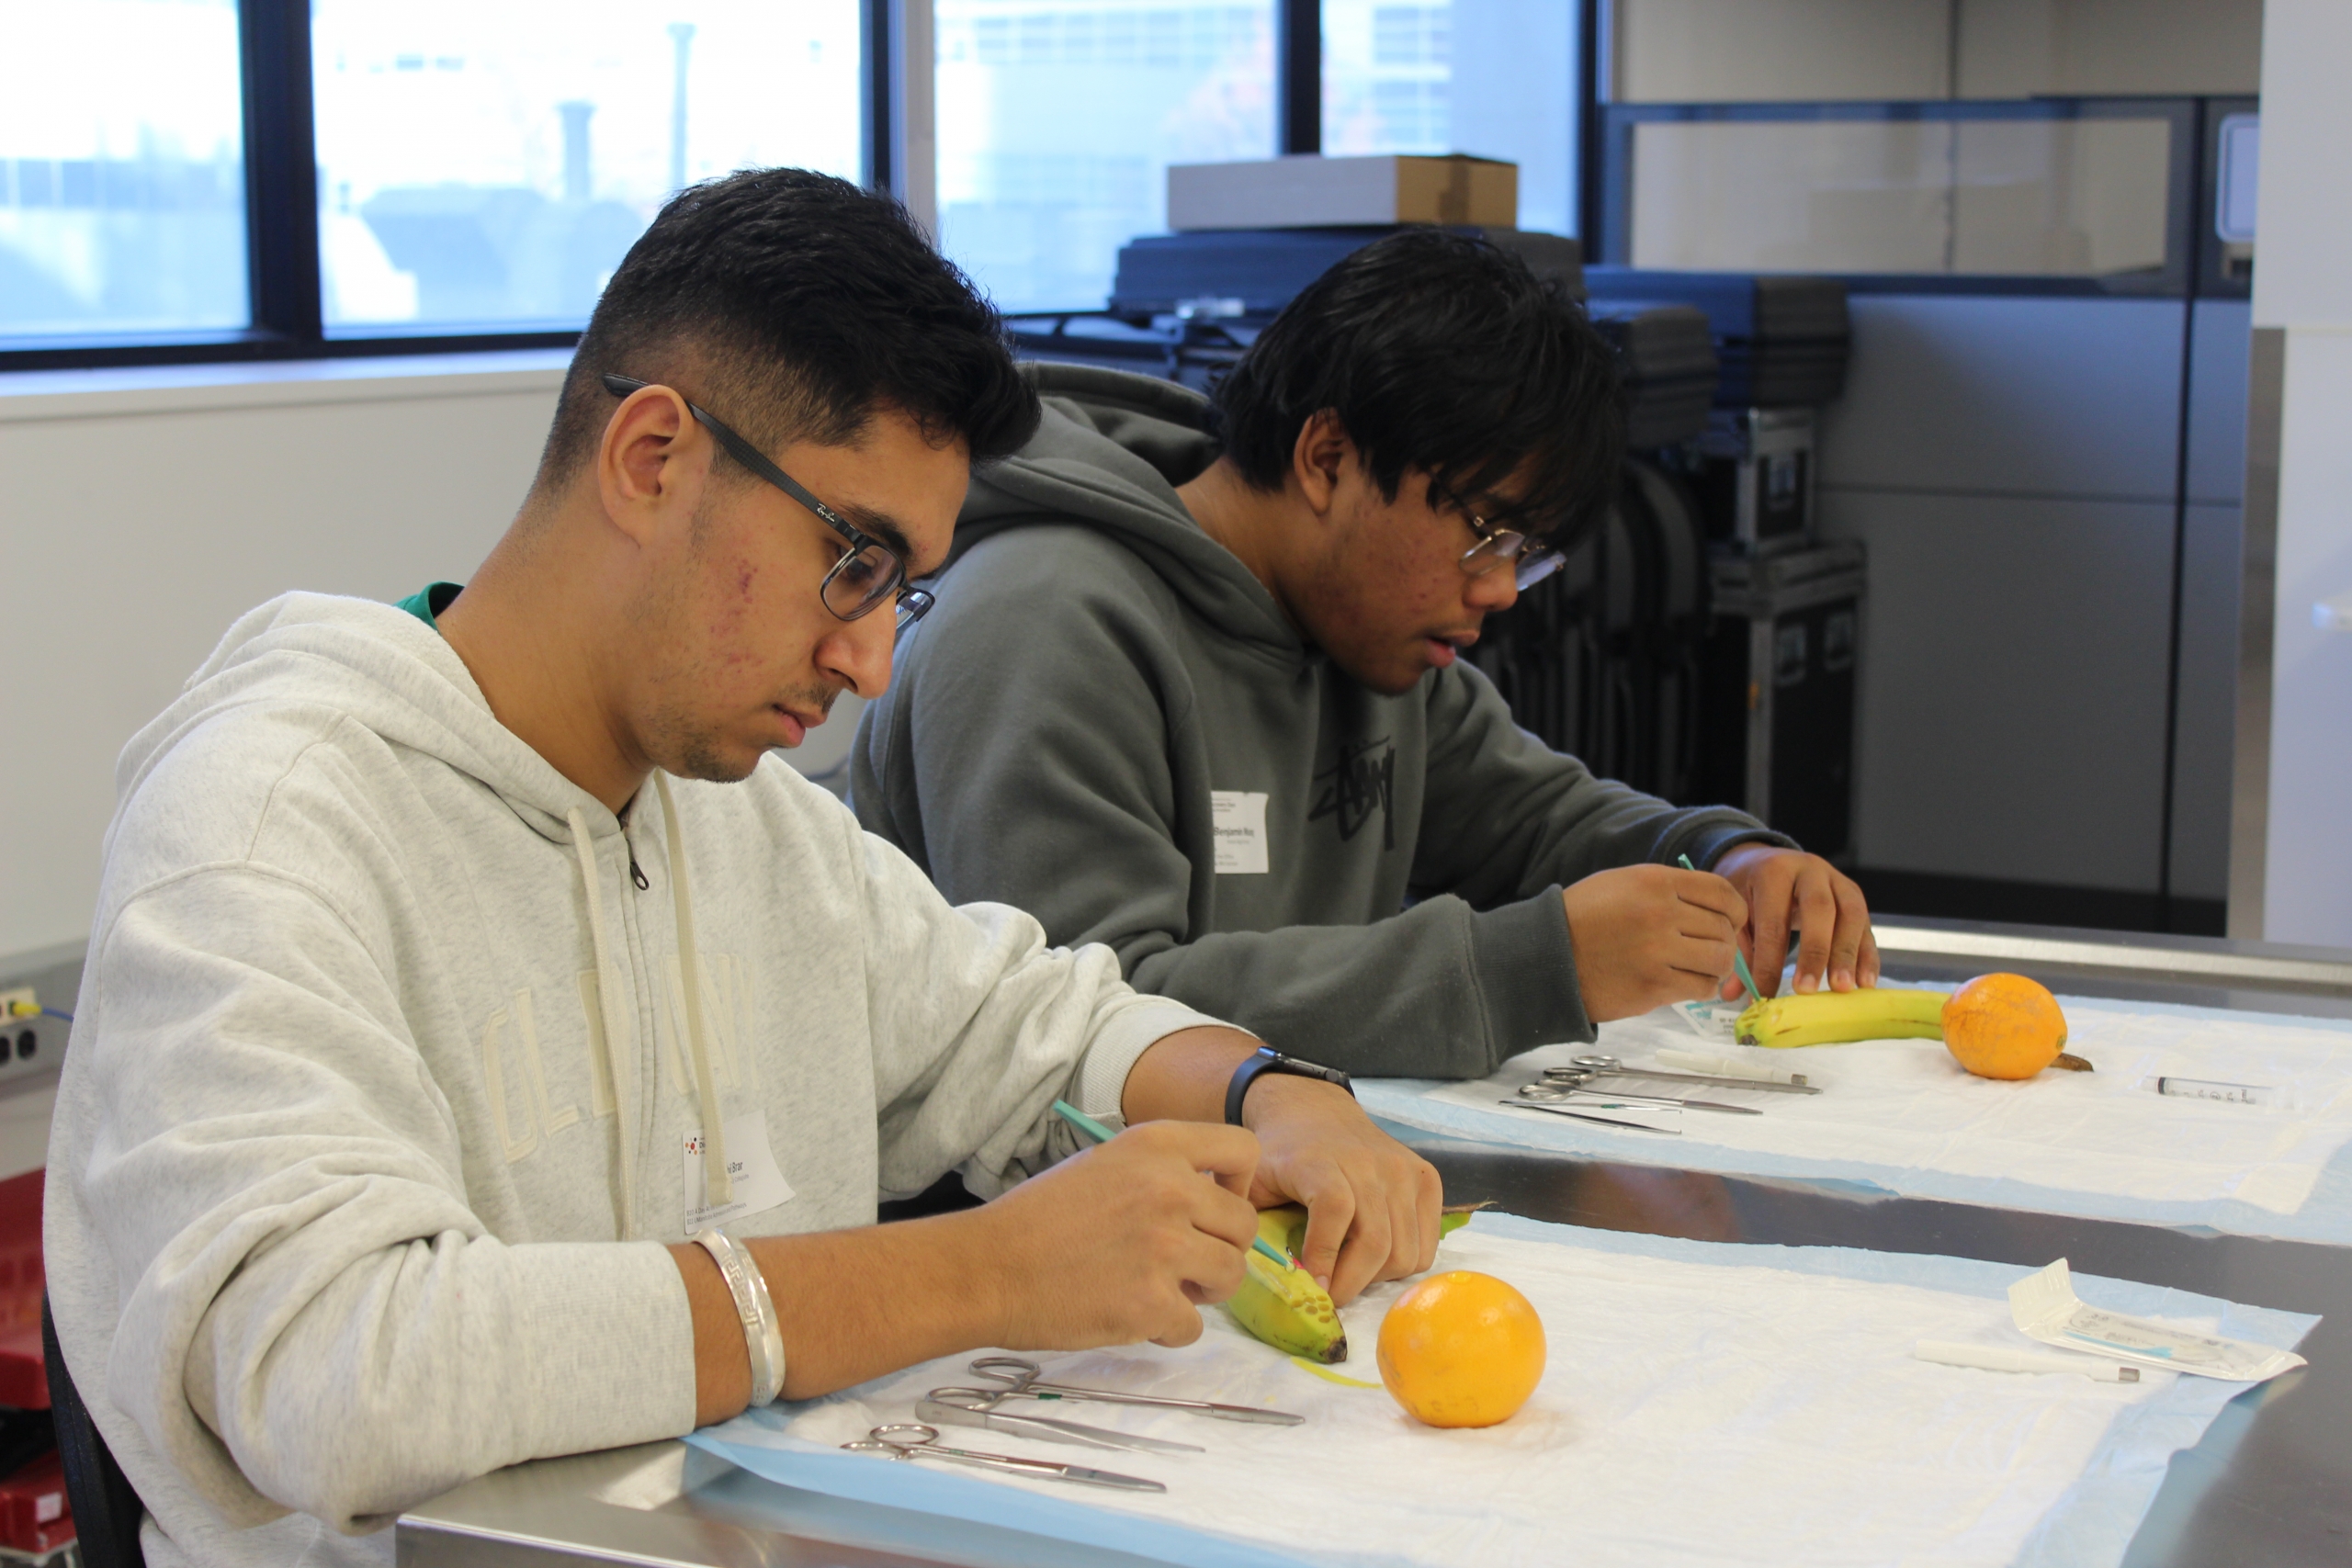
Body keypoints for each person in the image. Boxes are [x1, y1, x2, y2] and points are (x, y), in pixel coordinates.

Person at [44, 169, 1438, 1568]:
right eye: (852, 559)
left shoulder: (749, 823)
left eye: (903, 587)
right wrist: (984, 1269)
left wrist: (1271, 1093)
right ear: (653, 457)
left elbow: (1028, 1022)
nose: (871, 659)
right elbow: (342, 1370)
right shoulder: (264, 823)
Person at [850, 229, 1878, 1080]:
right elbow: (1093, 1025)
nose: (1497, 590)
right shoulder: (1044, 623)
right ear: (1328, 457)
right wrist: (1528, 967)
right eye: (1487, 534)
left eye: (1528, 558)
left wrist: (1723, 857)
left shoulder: (1365, 633)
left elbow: (1537, 820)